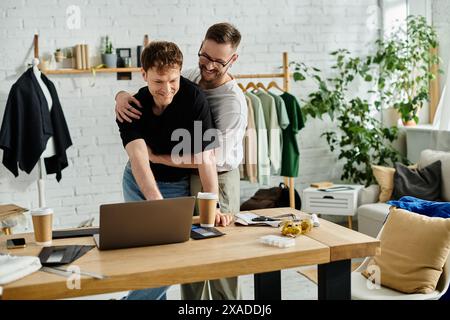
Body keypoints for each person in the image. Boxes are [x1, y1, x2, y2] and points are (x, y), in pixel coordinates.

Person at [115, 23, 247, 300]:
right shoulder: (173, 85)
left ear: (232, 60)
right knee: (151, 254)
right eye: (205, 57)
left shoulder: (219, 101)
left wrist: (216, 205)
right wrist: (120, 95)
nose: (167, 88)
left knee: (186, 256)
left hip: (205, 177)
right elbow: (139, 160)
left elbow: (208, 159)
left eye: (218, 61)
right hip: (142, 181)